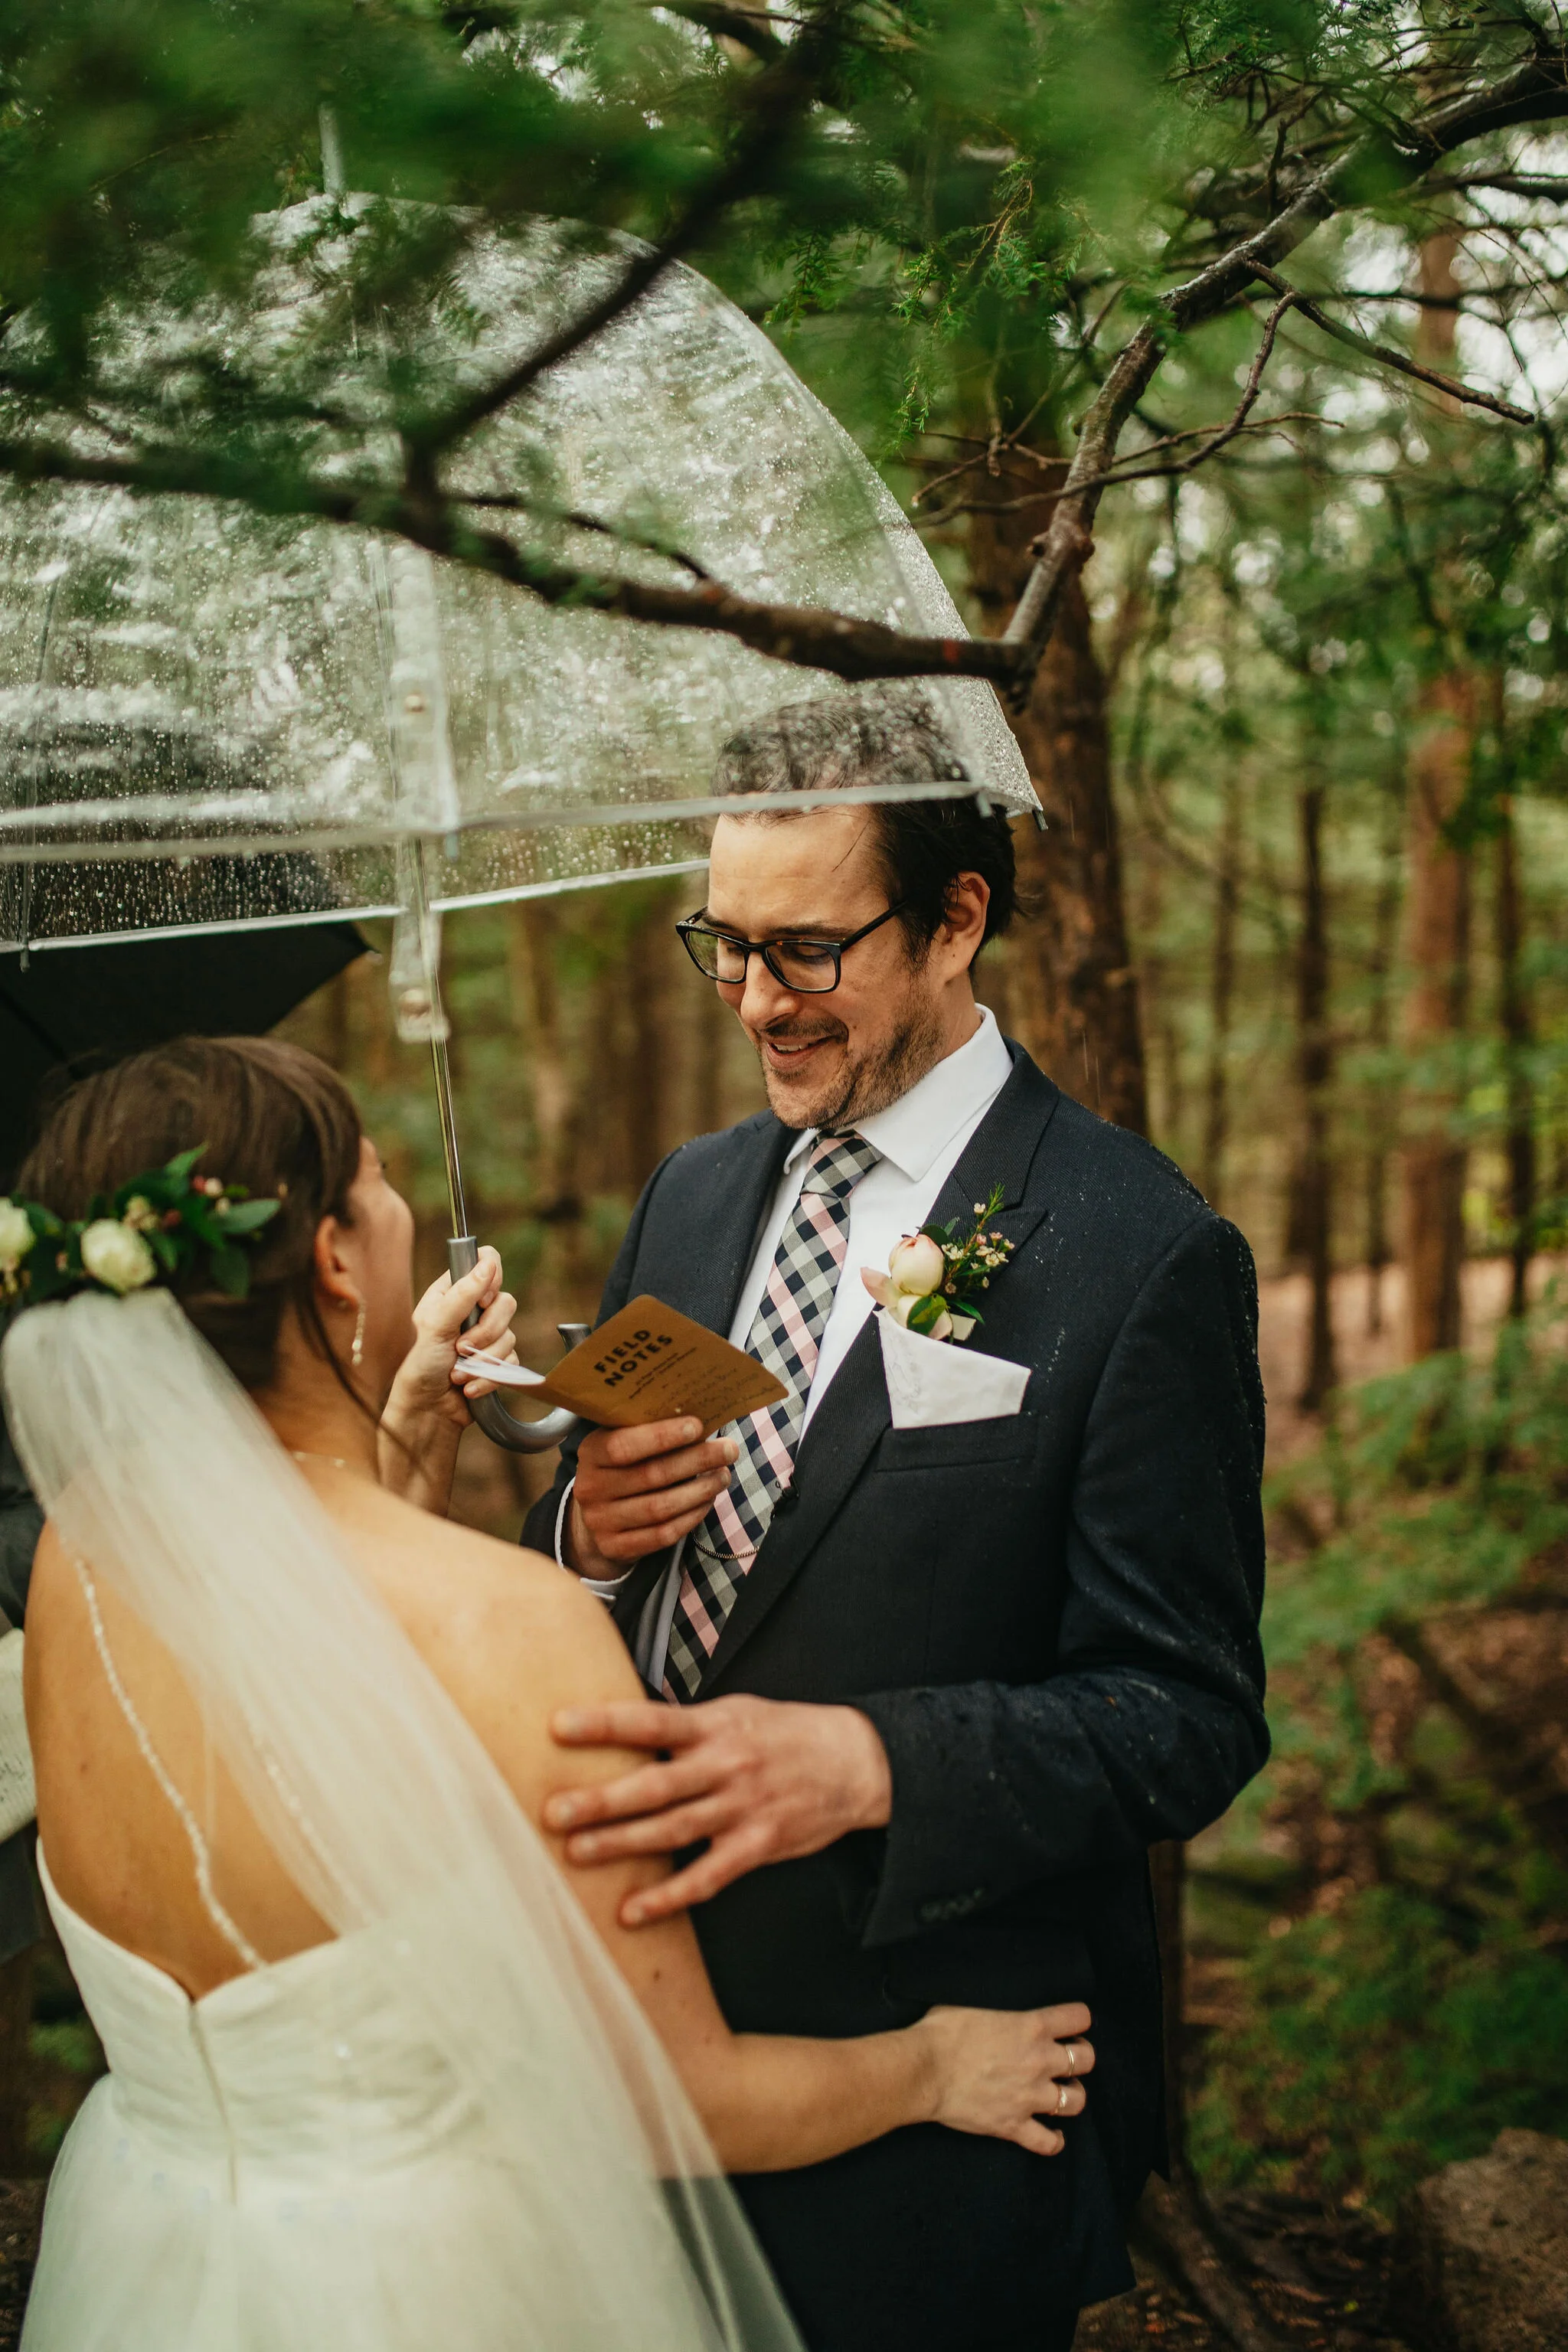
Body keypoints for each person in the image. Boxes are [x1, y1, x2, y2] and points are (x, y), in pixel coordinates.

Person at [0, 1034, 1093, 2352]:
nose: (401, 1202)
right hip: (427, 2283)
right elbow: (667, 2098)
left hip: (152, 2245)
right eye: (381, 1177)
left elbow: (302, 1711)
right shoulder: (509, 1623)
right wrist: (935, 2068)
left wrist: (400, 1434)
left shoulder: (84, 1561)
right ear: (338, 1258)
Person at [529, 697, 1270, 2352]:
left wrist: (874, 1764)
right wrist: (586, 1526)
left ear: (954, 920)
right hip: (647, 2043)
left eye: (802, 952)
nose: (750, 1002)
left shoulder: (1136, 1249)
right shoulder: (693, 1194)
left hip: (939, 2086)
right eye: (719, 946)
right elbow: (574, 1574)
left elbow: (1191, 1714)